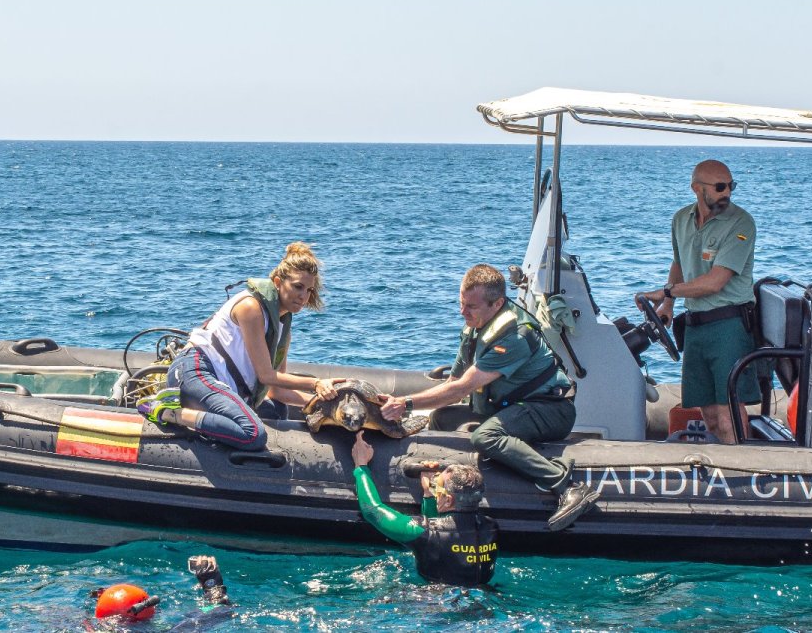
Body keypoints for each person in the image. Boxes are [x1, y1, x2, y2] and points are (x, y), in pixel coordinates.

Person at [380, 264, 599, 532]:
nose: (463, 312)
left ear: (497, 304)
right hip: (510, 406)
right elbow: (453, 383)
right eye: (461, 303)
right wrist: (401, 405)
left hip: (550, 408)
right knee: (443, 417)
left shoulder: (515, 336)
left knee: (485, 437)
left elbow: (463, 389)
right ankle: (448, 486)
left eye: (471, 306)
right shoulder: (474, 328)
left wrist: (406, 403)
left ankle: (569, 486)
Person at [140, 242, 344, 450]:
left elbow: (276, 391)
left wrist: (324, 404)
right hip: (196, 371)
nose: (303, 296)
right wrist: (316, 383)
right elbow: (266, 376)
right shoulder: (251, 308)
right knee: (252, 433)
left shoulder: (283, 328)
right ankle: (165, 410)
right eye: (297, 286)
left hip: (223, 385)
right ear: (277, 282)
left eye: (309, 290)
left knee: (276, 411)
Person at [641, 159, 759, 444]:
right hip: (695, 325)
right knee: (708, 414)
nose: (727, 193)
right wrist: (667, 307)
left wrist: (667, 293)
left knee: (728, 411)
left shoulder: (740, 223)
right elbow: (679, 262)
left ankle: (742, 469)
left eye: (731, 186)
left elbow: (715, 282)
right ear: (697, 188)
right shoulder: (681, 219)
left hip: (728, 325)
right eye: (720, 187)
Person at [350, 430, 498, 586]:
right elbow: (448, 533)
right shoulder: (491, 527)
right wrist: (428, 494)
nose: (434, 489)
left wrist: (361, 466)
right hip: (483, 595)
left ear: (448, 500)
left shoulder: (422, 531)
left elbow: (372, 510)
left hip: (435, 601)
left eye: (437, 487)